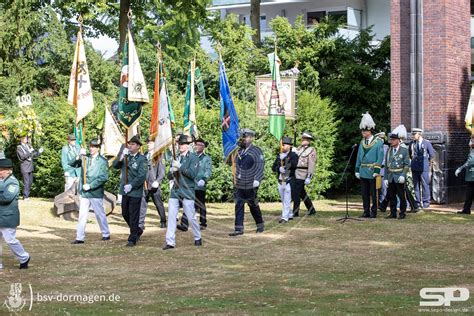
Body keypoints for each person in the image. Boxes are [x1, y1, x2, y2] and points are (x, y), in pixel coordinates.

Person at [163, 134, 202, 250]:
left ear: (188, 146)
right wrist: (171, 171)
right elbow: (169, 176)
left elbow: (192, 174)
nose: (180, 146)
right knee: (171, 216)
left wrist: (180, 167)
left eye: (183, 144)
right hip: (175, 190)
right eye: (179, 144)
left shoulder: (193, 158)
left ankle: (197, 236)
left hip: (187, 190)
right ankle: (170, 241)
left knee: (191, 217)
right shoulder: (176, 158)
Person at [70, 139, 111, 244]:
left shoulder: (102, 161)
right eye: (90, 147)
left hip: (95, 191)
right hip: (84, 192)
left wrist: (91, 185)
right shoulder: (85, 158)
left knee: (99, 214)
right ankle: (80, 237)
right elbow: (72, 164)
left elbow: (103, 177)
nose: (91, 148)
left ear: (98, 148)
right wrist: (79, 156)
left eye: (94, 147)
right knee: (82, 215)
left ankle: (105, 233)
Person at [229, 128, 265, 236]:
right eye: (242, 137)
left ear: (250, 137)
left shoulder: (256, 151)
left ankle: (260, 224)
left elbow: (260, 166)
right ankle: (238, 229)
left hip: (251, 182)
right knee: (239, 204)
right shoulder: (240, 151)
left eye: (244, 137)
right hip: (240, 183)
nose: (242, 139)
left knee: (252, 205)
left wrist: (257, 179)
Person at [113, 136, 147, 247]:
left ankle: (132, 238)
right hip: (125, 190)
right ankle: (137, 230)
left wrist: (132, 185)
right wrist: (121, 156)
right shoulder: (125, 156)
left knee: (134, 215)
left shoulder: (142, 159)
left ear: (138, 146)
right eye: (129, 144)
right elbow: (115, 166)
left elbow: (142, 176)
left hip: (135, 191)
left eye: (133, 144)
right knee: (125, 213)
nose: (130, 146)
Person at [0, 158, 30, 269]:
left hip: (8, 218)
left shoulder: (13, 182)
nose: (0, 173)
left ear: (9, 171)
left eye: (2, 170)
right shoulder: (2, 180)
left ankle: (24, 257)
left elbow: (6, 198)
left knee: (10, 240)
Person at [177, 138, 213, 231]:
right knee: (187, 203)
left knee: (201, 204)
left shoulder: (206, 158)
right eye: (197, 144)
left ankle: (203, 223)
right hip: (190, 184)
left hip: (200, 185)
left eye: (200, 145)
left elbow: (208, 171)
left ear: (204, 147)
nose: (198, 146)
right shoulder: (191, 157)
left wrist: (204, 180)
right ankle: (184, 224)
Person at [355, 112, 384, 218]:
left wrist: (377, 171)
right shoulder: (362, 142)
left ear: (369, 131)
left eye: (364, 130)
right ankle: (366, 211)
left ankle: (373, 211)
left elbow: (380, 157)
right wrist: (357, 169)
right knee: (364, 194)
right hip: (363, 171)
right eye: (362, 130)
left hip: (372, 171)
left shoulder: (378, 142)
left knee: (374, 194)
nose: (362, 132)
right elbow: (359, 156)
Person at [139, 138, 166, 231]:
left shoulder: (159, 155)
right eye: (148, 143)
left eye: (151, 143)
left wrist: (157, 181)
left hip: (154, 184)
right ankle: (140, 223)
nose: (149, 144)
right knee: (142, 204)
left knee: (158, 204)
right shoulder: (145, 155)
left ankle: (163, 221)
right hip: (145, 184)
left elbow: (162, 171)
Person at [272, 136, 298, 223]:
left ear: (290, 146)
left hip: (289, 180)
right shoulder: (279, 156)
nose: (283, 146)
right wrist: (278, 168)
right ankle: (289, 214)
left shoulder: (294, 155)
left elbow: (294, 165)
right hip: (280, 180)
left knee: (287, 199)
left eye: (285, 145)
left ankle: (284, 217)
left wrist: (285, 161)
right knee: (283, 199)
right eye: (283, 145)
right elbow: (273, 167)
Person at [384, 132, 410, 219]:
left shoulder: (404, 150)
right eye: (391, 140)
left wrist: (403, 175)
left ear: (398, 140)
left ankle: (402, 212)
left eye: (394, 140)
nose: (392, 141)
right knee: (392, 196)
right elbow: (387, 166)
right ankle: (393, 212)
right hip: (391, 176)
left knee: (401, 196)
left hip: (399, 176)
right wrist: (386, 178)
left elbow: (407, 164)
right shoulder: (389, 150)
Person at [409, 128, 435, 211]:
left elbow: (431, 154)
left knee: (425, 185)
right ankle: (417, 203)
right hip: (414, 167)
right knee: (416, 186)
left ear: (419, 134)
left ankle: (426, 203)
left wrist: (429, 164)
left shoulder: (426, 143)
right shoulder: (411, 143)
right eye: (412, 134)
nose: (412, 136)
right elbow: (410, 154)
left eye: (414, 134)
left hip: (424, 167)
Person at [292, 132, 317, 217]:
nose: (302, 140)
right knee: (302, 193)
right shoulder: (299, 148)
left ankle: (295, 212)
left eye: (305, 139)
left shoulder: (311, 150)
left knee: (296, 193)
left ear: (309, 141)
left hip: (303, 173)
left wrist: (309, 176)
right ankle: (311, 209)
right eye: (302, 138)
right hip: (295, 172)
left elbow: (312, 164)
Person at [16, 136, 43, 200]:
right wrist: (29, 152)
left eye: (26, 138)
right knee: (26, 182)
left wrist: (39, 152)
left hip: (30, 166)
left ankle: (26, 195)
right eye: (25, 138)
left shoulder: (29, 146)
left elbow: (33, 155)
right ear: (21, 139)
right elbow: (22, 157)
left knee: (30, 181)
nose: (26, 139)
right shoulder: (19, 147)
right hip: (24, 166)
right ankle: (25, 196)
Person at [454, 134, 474, 215]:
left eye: (472, 140)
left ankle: (466, 209)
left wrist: (460, 168)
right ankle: (466, 209)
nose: (470, 141)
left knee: (469, 194)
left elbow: (471, 161)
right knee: (469, 194)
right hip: (471, 176)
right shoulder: (472, 150)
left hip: (473, 176)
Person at [375, 132, 389, 212]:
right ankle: (376, 203)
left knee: (384, 189)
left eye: (383, 139)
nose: (381, 140)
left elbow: (387, 158)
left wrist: (381, 163)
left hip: (383, 171)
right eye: (380, 139)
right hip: (376, 172)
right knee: (376, 189)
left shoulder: (386, 147)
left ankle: (382, 204)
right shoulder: (374, 147)